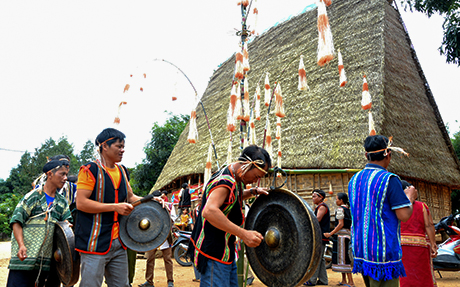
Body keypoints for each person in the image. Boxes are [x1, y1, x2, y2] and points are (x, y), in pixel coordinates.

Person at [75, 128, 152, 287]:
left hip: (119, 242)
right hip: (94, 243)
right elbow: (81, 203)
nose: (123, 150)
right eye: (119, 146)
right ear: (104, 146)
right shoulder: (90, 170)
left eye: (123, 146)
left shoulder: (122, 171)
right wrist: (114, 207)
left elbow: (131, 197)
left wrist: (152, 201)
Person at [188, 145, 271, 287]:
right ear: (246, 165)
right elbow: (209, 211)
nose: (255, 181)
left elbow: (231, 197)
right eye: (256, 176)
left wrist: (253, 191)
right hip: (214, 252)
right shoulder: (225, 181)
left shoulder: (234, 176)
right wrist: (243, 234)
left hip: (225, 250)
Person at [348, 135, 417, 287]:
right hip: (383, 252)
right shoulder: (389, 179)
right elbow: (404, 215)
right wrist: (410, 198)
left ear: (367, 155)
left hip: (362, 250)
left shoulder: (354, 180)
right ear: (389, 155)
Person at [7, 159, 72, 287]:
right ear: (50, 174)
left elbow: (66, 223)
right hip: (24, 258)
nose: (65, 178)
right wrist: (21, 245)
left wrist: (67, 225)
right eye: (62, 174)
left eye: (66, 175)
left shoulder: (62, 203)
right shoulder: (33, 197)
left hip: (44, 263)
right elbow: (16, 221)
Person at [399, 180, 437, 287]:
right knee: (422, 276)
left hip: (401, 247)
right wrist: (433, 243)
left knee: (404, 278)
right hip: (420, 247)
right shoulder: (422, 206)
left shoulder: (397, 207)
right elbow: (429, 225)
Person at [139, 190, 174, 287]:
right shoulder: (148, 208)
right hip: (151, 237)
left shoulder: (169, 206)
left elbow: (173, 220)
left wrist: (167, 213)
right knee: (149, 258)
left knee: (167, 259)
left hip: (165, 236)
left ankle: (170, 281)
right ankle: (149, 281)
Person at [324, 192, 354, 287]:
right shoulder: (348, 209)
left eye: (337, 199)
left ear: (341, 200)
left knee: (344, 258)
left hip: (342, 237)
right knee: (342, 258)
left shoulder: (340, 209)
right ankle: (344, 280)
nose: (336, 200)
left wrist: (330, 233)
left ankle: (351, 282)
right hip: (346, 235)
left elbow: (340, 224)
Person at [305, 189, 330, 286]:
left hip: (320, 236)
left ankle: (312, 280)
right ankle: (323, 280)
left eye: (314, 196)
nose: (313, 198)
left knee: (316, 258)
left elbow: (317, 220)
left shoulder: (322, 207)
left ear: (321, 197)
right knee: (321, 258)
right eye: (312, 196)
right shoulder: (319, 206)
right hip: (321, 235)